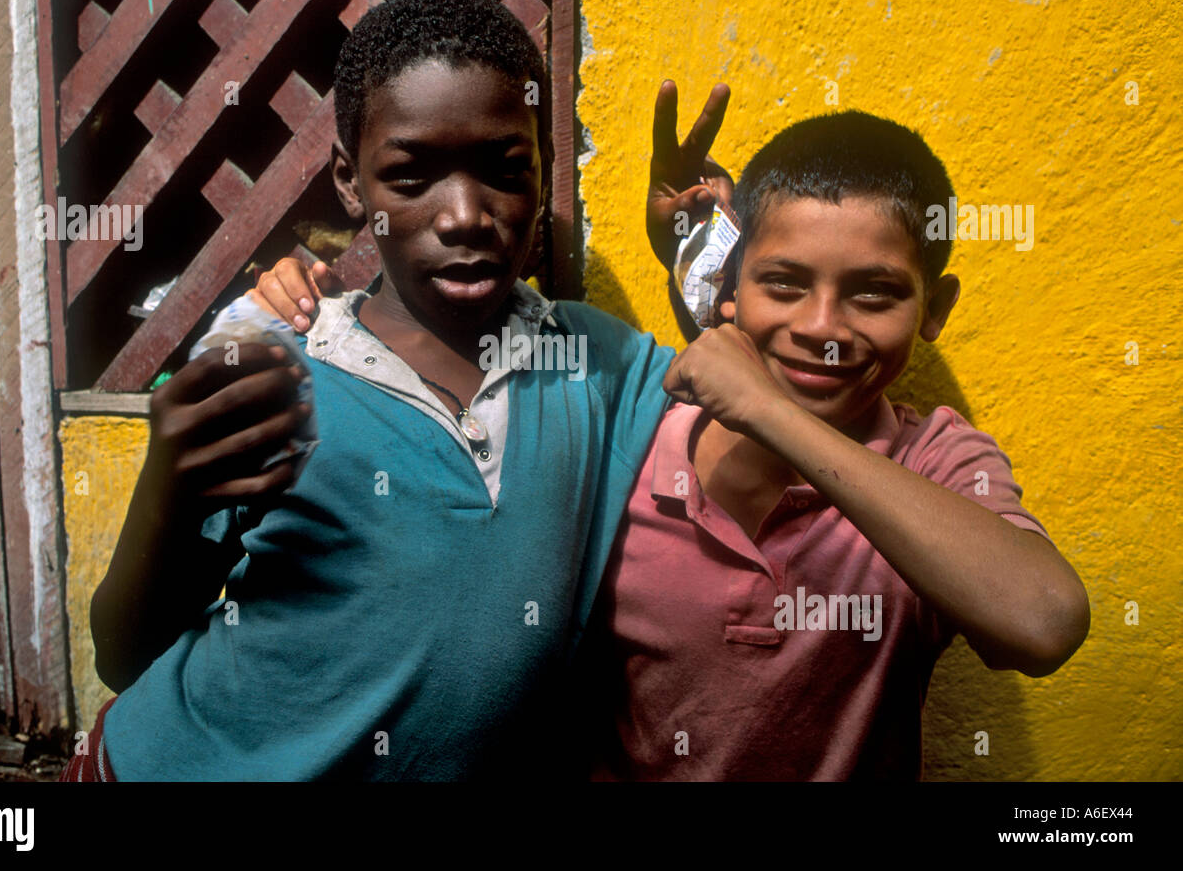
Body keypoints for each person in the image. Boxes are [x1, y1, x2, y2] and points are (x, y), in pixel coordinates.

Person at [253, 88, 1090, 780]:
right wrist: (326, 305)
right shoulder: (635, 434)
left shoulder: (935, 461)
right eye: (785, 284)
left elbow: (1044, 624)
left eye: (875, 295)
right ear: (730, 290)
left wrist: (776, 412)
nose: (824, 328)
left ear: (934, 309)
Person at [65, 0, 672, 781]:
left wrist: (702, 263)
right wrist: (169, 492)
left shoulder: (597, 362)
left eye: (504, 169)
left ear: (546, 173)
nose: (463, 214)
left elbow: (746, 396)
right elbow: (125, 653)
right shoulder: (284, 377)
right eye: (412, 175)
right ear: (351, 183)